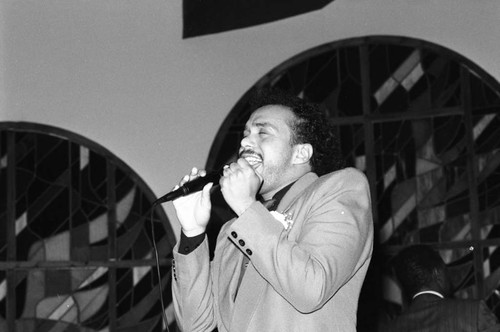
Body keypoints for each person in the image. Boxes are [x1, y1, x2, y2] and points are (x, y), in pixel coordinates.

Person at [170, 89, 374, 331]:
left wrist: (246, 207)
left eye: (262, 132)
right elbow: (196, 325)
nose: (245, 142)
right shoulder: (231, 231)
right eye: (245, 134)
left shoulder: (340, 188)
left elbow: (311, 289)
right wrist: (192, 234)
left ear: (301, 153)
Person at [384, 244, 500, 332]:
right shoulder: (473, 312)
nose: (449, 275)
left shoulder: (392, 327)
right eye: (445, 269)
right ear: (437, 273)